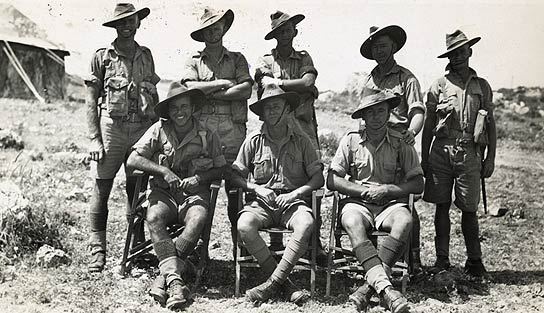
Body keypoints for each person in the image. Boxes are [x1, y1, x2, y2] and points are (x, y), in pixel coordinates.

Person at [127, 82, 226, 310]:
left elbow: (222, 169)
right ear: (168, 112)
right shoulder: (158, 130)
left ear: (192, 108)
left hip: (194, 195)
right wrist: (163, 170)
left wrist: (200, 179)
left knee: (198, 218)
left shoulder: (207, 134)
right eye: (174, 108)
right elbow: (133, 160)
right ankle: (176, 280)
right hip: (164, 194)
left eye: (184, 107)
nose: (179, 112)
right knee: (153, 218)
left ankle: (166, 278)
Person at [327, 91, 424, 313]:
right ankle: (387, 290)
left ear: (389, 113)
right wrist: (362, 191)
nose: (376, 117)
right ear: (363, 116)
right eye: (370, 112)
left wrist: (389, 189)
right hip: (358, 202)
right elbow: (332, 179)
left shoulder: (401, 143)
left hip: (389, 203)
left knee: (405, 220)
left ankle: (367, 289)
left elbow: (418, 183)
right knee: (351, 220)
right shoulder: (351, 140)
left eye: (381, 111)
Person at [84, 3, 160, 273]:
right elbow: (91, 100)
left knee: (137, 189)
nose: (127, 26)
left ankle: (137, 249)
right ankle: (98, 250)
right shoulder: (103, 56)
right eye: (121, 23)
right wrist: (94, 139)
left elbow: (153, 95)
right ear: (114, 26)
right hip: (111, 129)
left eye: (131, 21)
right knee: (102, 187)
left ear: (138, 23)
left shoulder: (146, 56)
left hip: (141, 129)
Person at [231, 85, 324, 305]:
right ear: (262, 113)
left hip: (292, 203)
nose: (272, 112)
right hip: (261, 203)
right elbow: (235, 176)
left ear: (287, 110)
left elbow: (318, 178)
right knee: (244, 225)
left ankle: (271, 284)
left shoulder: (302, 141)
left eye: (277, 107)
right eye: (267, 108)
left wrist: (296, 194)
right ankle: (285, 284)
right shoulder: (254, 140)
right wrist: (256, 188)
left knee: (306, 223)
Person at [421, 29, 496, 278]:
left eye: (462, 51)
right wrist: (423, 158)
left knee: (469, 209)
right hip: (441, 152)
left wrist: (490, 158)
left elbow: (491, 124)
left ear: (470, 52)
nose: (458, 57)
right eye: (453, 53)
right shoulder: (438, 86)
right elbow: (429, 124)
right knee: (441, 207)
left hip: (470, 153)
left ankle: (474, 261)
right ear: (448, 57)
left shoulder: (482, 87)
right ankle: (442, 260)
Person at [181, 7, 253, 255]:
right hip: (203, 136)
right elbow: (191, 88)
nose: (213, 32)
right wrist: (222, 83)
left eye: (217, 27)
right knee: (202, 190)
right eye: (208, 29)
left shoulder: (237, 59)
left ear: (224, 29)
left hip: (233, 134)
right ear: (202, 34)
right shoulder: (193, 61)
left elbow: (246, 90)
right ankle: (199, 250)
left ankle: (240, 248)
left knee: (235, 191)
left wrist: (210, 91)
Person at [254, 10, 325, 259]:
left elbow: (307, 82)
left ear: (294, 32)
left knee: (311, 177)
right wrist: (298, 86)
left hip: (303, 126)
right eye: (279, 32)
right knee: (275, 173)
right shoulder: (265, 61)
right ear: (274, 36)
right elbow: (265, 87)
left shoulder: (304, 58)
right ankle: (276, 241)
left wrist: (280, 84)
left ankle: (313, 244)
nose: (284, 35)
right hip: (275, 125)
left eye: (288, 30)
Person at [359, 25, 425, 271]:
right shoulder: (370, 78)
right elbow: (363, 112)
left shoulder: (406, 78)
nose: (380, 51)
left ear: (394, 47)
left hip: (398, 143)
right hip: (374, 142)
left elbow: (417, 111)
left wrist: (411, 133)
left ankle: (414, 259)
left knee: (405, 200)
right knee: (373, 197)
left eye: (384, 46)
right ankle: (376, 260)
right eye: (376, 47)